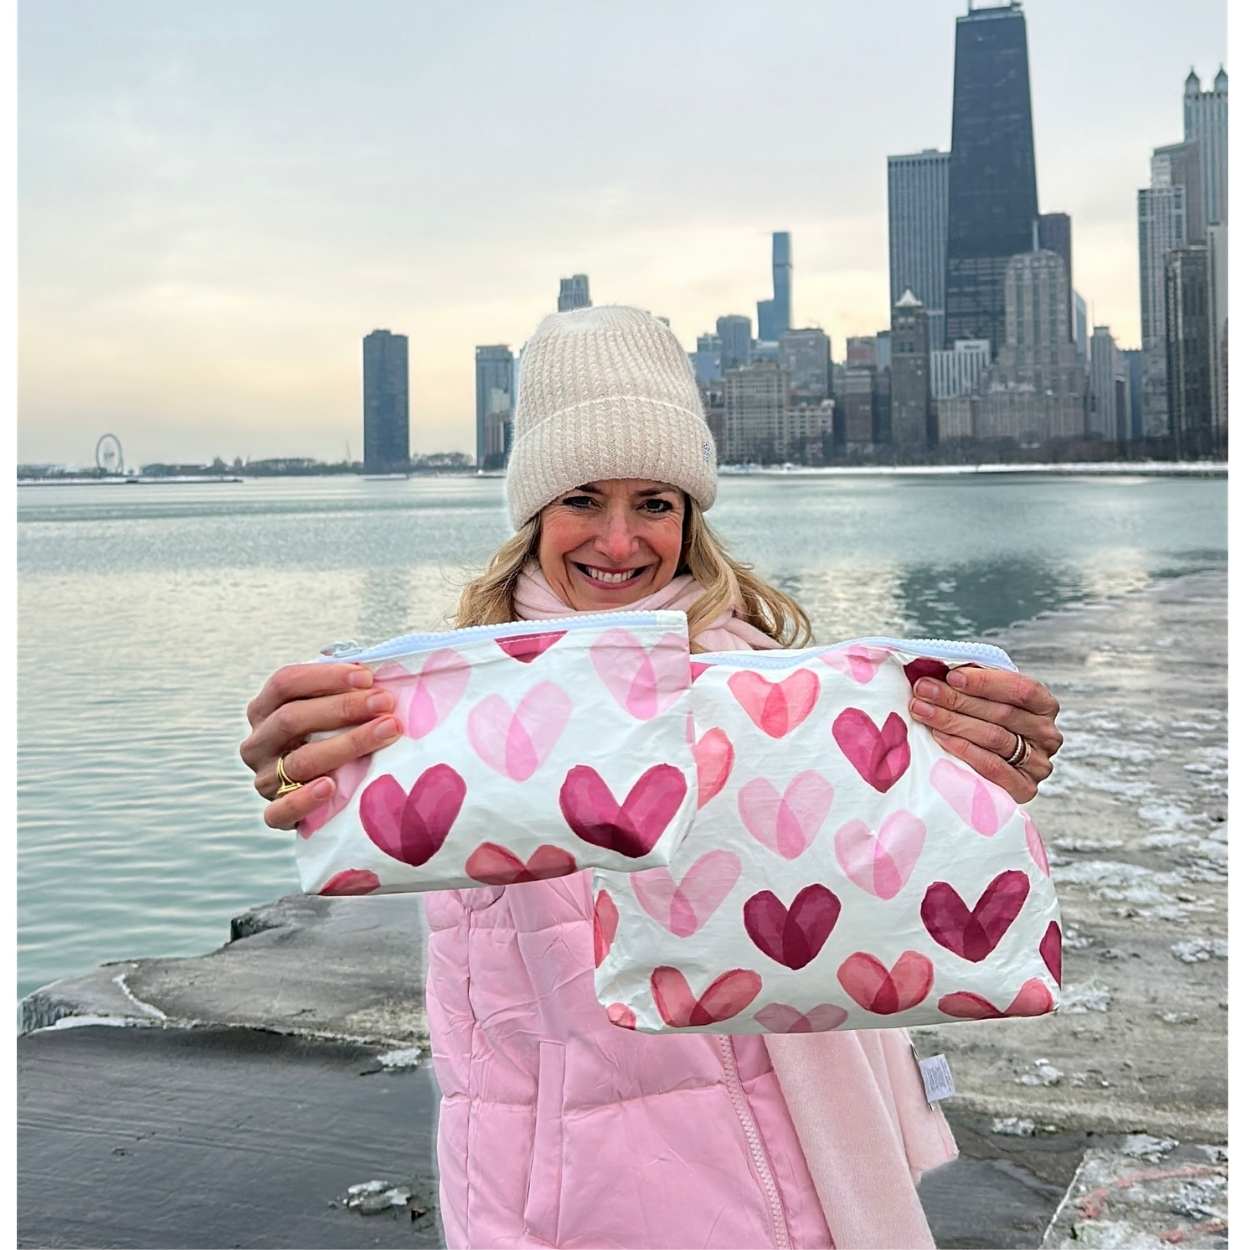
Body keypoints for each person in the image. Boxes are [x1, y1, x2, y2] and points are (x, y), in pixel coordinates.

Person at [240, 306, 1063, 1249]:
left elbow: (894, 862)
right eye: (583, 499)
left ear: (689, 518)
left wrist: (990, 762)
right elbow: (347, 799)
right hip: (579, 1198)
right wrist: (297, 768)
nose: (621, 541)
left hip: (808, 1181)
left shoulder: (768, 686)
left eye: (656, 504)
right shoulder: (460, 709)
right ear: (534, 513)